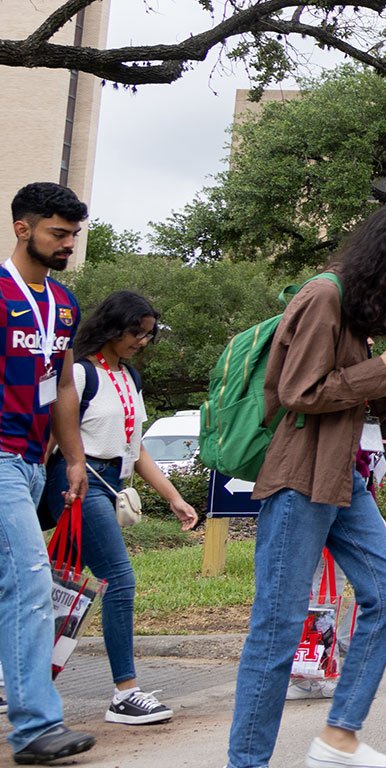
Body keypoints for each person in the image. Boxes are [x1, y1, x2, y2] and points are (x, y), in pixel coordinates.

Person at [227, 202, 386, 768]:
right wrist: (384, 365)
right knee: (276, 630)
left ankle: (339, 737)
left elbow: (354, 399)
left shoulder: (353, 308)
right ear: (383, 247)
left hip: (339, 475)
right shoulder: (324, 294)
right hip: (300, 475)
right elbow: (301, 392)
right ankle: (245, 763)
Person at [50, 291, 200, 726]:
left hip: (108, 484)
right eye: (136, 331)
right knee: (118, 579)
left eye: (149, 335)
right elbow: (53, 438)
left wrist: (174, 498)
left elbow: (134, 452)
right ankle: (124, 693)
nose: (142, 341)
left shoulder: (129, 378)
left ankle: (18, 680)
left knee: (57, 589)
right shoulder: (79, 373)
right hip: (76, 484)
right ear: (114, 326)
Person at [0, 182, 96, 764]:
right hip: (0, 458)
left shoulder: (63, 303)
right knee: (31, 584)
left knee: (15, 586)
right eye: (58, 233)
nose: (67, 244)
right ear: (22, 228)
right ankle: (36, 726)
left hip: (36, 465)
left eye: (73, 235)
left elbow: (61, 384)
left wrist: (75, 458)